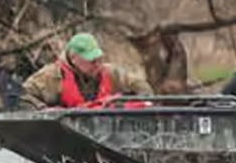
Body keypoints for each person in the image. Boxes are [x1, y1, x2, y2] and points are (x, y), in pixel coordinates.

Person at [21, 32, 152, 108]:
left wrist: (145, 100)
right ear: (73, 58)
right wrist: (43, 111)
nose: (97, 64)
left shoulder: (112, 73)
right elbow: (21, 96)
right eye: (91, 60)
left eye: (99, 58)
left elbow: (141, 87)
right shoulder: (52, 76)